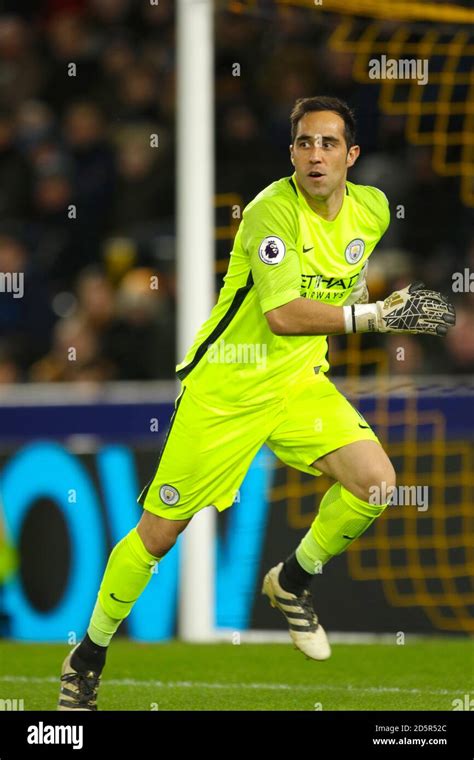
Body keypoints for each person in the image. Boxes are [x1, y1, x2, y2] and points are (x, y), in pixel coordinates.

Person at [57, 96, 455, 710]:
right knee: (159, 536)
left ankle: (291, 581)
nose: (314, 154)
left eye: (328, 143)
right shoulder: (272, 211)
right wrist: (374, 314)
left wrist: (379, 304)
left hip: (297, 384)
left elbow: (338, 285)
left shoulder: (373, 209)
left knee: (376, 483)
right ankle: (87, 656)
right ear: (291, 152)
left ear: (351, 155)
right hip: (227, 390)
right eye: (303, 143)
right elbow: (283, 314)